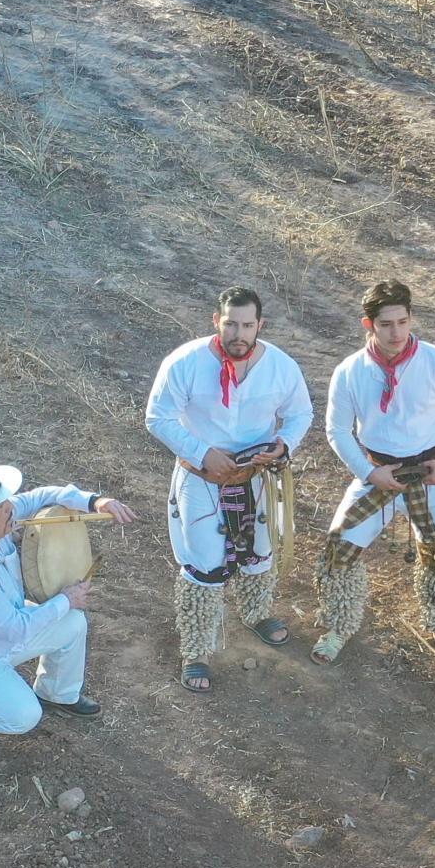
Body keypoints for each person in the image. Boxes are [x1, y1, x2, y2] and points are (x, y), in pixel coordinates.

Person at [146, 286, 315, 693]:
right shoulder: (184, 362)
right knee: (203, 563)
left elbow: (300, 413)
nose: (238, 333)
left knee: (260, 552)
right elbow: (158, 417)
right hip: (201, 478)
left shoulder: (281, 366)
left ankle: (256, 612)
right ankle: (197, 649)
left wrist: (283, 445)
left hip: (256, 478)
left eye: (247, 325)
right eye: (230, 324)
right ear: (216, 322)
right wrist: (203, 452)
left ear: (260, 326)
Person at [314, 279, 435, 669]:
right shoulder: (349, 371)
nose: (396, 333)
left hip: (431, 470)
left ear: (411, 318)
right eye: (386, 324)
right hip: (378, 472)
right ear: (367, 324)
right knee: (341, 544)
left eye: (402, 322)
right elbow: (336, 431)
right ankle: (338, 625)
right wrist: (369, 474)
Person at [0, 459, 137, 741]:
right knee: (24, 717)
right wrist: (66, 599)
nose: (10, 511)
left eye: (5, 502)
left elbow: (43, 496)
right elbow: (14, 628)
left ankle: (57, 693)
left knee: (72, 622)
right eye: (0, 509)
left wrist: (94, 502)